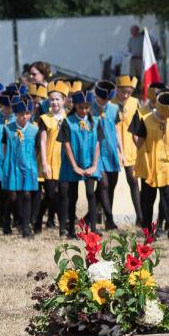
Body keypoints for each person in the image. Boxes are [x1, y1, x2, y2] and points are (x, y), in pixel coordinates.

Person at [130, 90, 169, 240]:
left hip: (168, 164)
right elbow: (139, 143)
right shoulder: (146, 120)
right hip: (150, 165)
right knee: (149, 199)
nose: (165, 117)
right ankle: (148, 232)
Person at [58, 90, 102, 232]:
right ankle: (70, 229)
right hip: (72, 164)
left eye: (86, 107)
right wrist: (75, 166)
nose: (84, 110)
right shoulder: (68, 122)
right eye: (80, 107)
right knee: (72, 195)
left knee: (91, 193)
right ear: (75, 106)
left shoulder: (95, 121)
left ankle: (93, 229)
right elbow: (66, 145)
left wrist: (94, 165)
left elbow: (97, 144)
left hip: (90, 163)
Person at [2, 98, 40, 237]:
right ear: (16, 114)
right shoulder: (8, 128)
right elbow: (4, 147)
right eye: (21, 114)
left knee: (27, 195)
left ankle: (26, 228)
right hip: (12, 166)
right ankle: (6, 220)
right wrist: (7, 163)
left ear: (31, 114)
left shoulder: (34, 130)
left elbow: (37, 149)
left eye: (27, 113)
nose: (24, 116)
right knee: (12, 197)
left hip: (28, 166)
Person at [36, 82, 68, 234]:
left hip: (64, 162)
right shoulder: (44, 118)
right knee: (50, 195)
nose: (54, 102)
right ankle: (38, 219)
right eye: (52, 99)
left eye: (57, 99)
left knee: (63, 194)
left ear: (64, 100)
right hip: (49, 160)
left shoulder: (69, 118)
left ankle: (63, 228)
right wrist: (44, 163)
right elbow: (42, 141)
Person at [90, 81, 123, 231]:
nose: (104, 101)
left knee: (111, 186)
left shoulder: (114, 109)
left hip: (111, 151)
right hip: (96, 151)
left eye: (107, 99)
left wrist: (121, 151)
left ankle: (90, 216)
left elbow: (116, 130)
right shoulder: (89, 108)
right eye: (102, 98)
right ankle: (110, 219)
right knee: (103, 184)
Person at [113, 75, 143, 227]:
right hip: (114, 146)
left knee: (133, 181)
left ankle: (140, 216)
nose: (125, 95)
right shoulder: (111, 103)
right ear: (117, 89)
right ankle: (102, 215)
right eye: (123, 91)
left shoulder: (135, 102)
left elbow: (139, 125)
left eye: (129, 92)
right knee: (109, 183)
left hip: (131, 146)